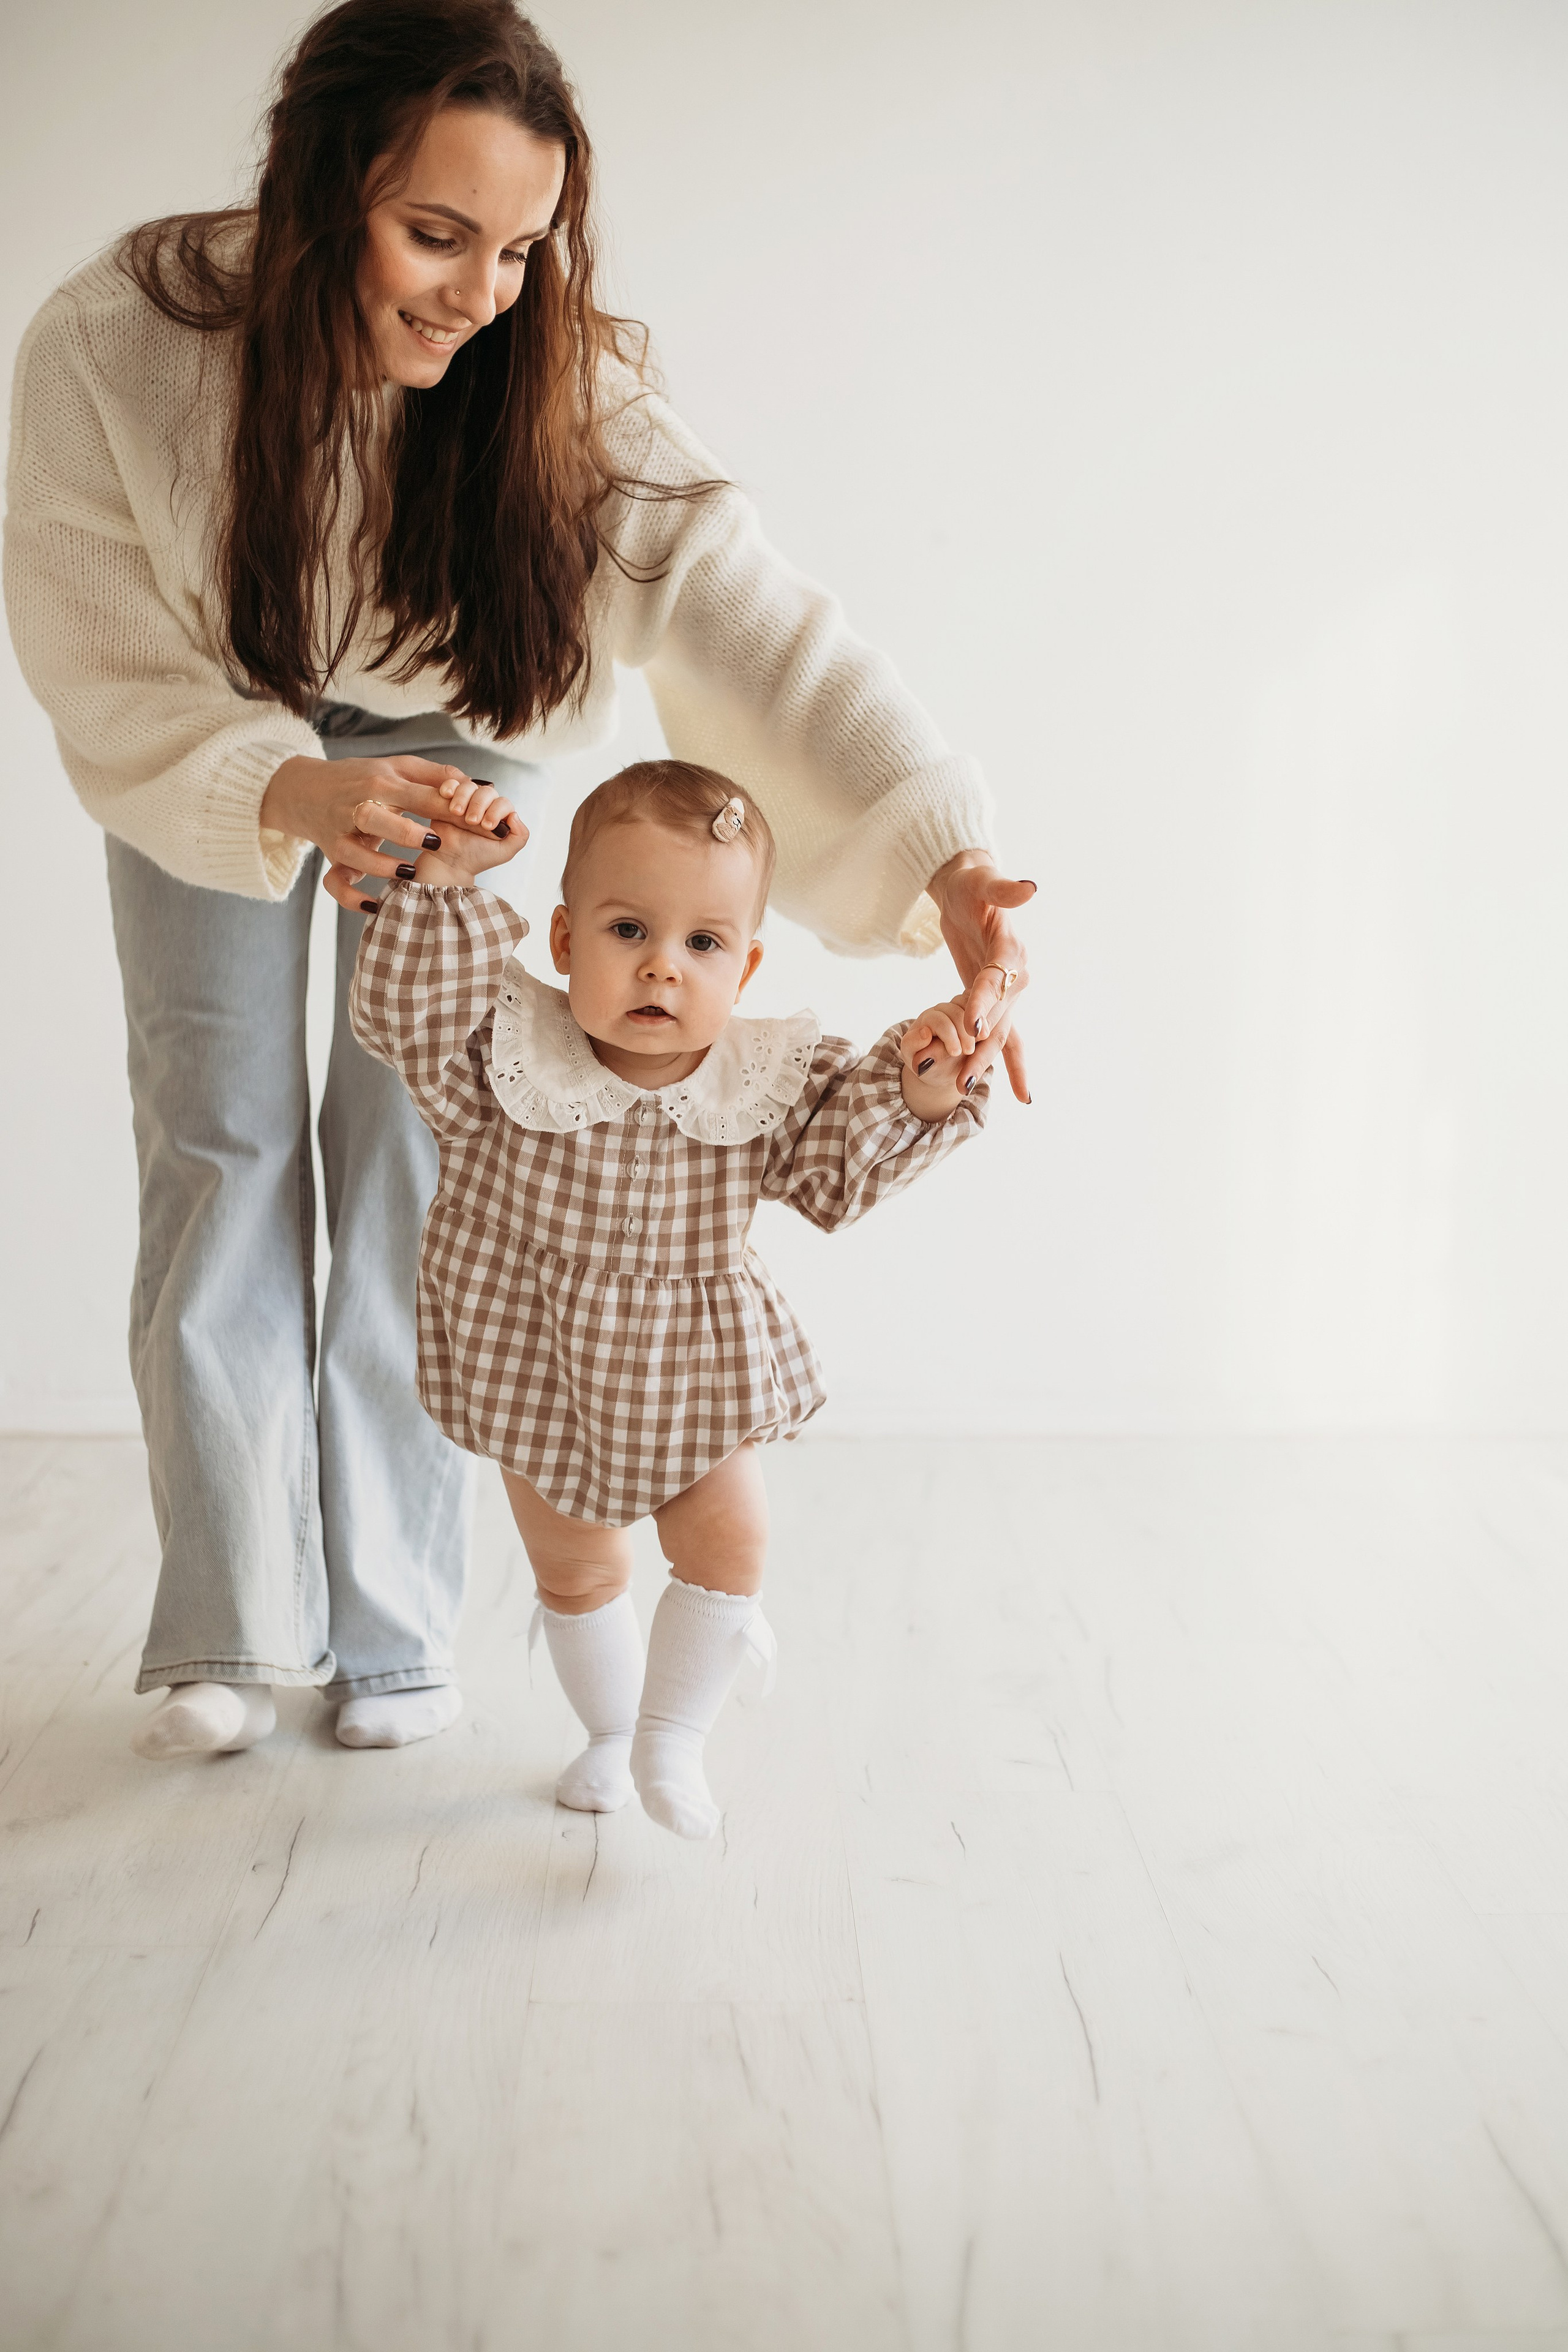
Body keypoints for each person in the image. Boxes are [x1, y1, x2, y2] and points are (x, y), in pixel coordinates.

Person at [3, 0, 1033, 1762]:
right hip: (214, 739)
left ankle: (394, 1643)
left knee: (426, 1159)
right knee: (220, 1139)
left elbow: (752, 617)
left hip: (454, 744)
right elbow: (99, 648)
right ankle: (229, 1631)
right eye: (435, 233)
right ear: (322, 186)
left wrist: (943, 848)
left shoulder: (559, 379)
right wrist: (290, 784)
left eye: (521, 246)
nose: (482, 289)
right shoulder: (119, 338)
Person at [349, 757, 998, 1836]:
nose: (662, 969)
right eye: (626, 932)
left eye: (701, 944)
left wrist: (928, 1079)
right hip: (537, 1351)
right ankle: (609, 1731)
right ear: (563, 942)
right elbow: (403, 1019)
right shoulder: (506, 1053)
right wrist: (445, 885)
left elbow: (840, 1167)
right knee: (576, 1566)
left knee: (730, 1539)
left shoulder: (763, 1076)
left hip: (693, 1365)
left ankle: (674, 1737)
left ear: (743, 968)